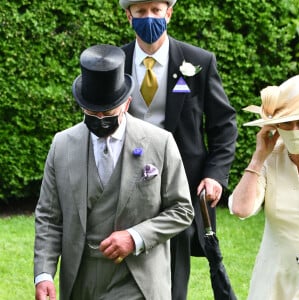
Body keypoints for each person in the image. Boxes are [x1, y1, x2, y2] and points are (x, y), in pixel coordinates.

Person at [34, 44, 194, 300]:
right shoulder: (62, 145)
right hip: (80, 280)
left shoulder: (160, 142)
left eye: (107, 113)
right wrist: (43, 274)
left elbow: (182, 210)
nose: (99, 119)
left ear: (126, 102)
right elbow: (49, 217)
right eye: (91, 113)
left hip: (136, 280)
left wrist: (135, 237)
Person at [118, 0, 238, 298]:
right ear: (128, 16)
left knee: (173, 284)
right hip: (124, 185)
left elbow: (224, 124)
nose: (149, 18)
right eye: (141, 11)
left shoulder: (198, 61)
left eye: (156, 10)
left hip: (180, 188)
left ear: (168, 14)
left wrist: (214, 175)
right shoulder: (115, 62)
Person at [229, 75, 299, 300]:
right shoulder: (271, 160)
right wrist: (258, 158)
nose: (295, 130)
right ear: (275, 126)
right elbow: (241, 209)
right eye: (287, 123)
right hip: (275, 279)